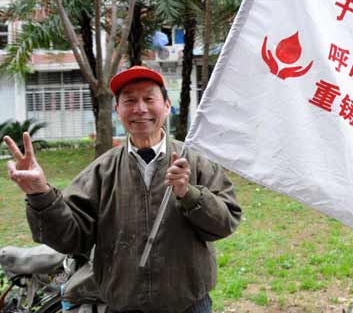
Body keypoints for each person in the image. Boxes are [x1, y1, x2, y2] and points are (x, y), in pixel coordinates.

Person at [4, 65, 242, 313]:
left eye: (149, 99)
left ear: (167, 105)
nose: (140, 108)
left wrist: (188, 193)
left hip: (189, 303)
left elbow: (225, 222)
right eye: (129, 101)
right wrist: (40, 194)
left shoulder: (196, 161)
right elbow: (71, 238)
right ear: (117, 110)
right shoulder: (102, 171)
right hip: (122, 304)